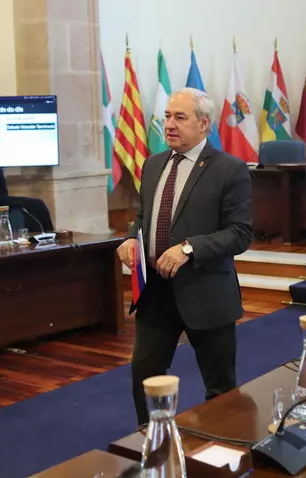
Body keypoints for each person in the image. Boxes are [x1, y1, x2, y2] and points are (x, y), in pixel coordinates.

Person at [116, 87, 253, 425]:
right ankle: (153, 441)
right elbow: (143, 218)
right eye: (167, 116)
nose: (169, 125)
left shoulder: (229, 169)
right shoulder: (153, 165)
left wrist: (189, 248)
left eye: (180, 117)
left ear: (204, 124)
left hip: (205, 292)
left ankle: (222, 448)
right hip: (155, 294)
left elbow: (240, 233)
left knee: (220, 388)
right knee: (145, 377)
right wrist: (132, 238)